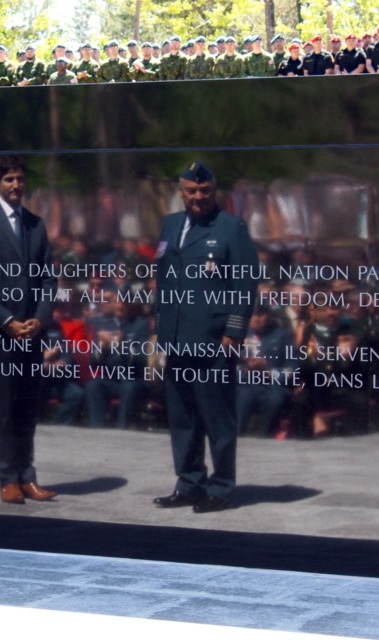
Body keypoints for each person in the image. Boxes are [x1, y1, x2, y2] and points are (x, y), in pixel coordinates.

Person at [152, 162, 258, 513]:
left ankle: (223, 487)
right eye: (191, 191)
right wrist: (160, 327)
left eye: (205, 191)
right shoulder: (170, 225)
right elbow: (164, 281)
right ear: (181, 192)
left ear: (215, 191)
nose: (198, 197)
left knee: (217, 417)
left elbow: (245, 283)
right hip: (177, 336)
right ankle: (190, 483)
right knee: (182, 417)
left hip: (213, 339)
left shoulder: (231, 228)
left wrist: (234, 331)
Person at [0, 156, 58, 504]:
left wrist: (41, 317)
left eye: (20, 179)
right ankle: (7, 477)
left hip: (32, 333)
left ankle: (27, 475)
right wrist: (7, 320)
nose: (16, 185)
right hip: (1, 333)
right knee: (4, 407)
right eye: (9, 180)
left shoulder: (36, 225)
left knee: (27, 406)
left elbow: (49, 277)